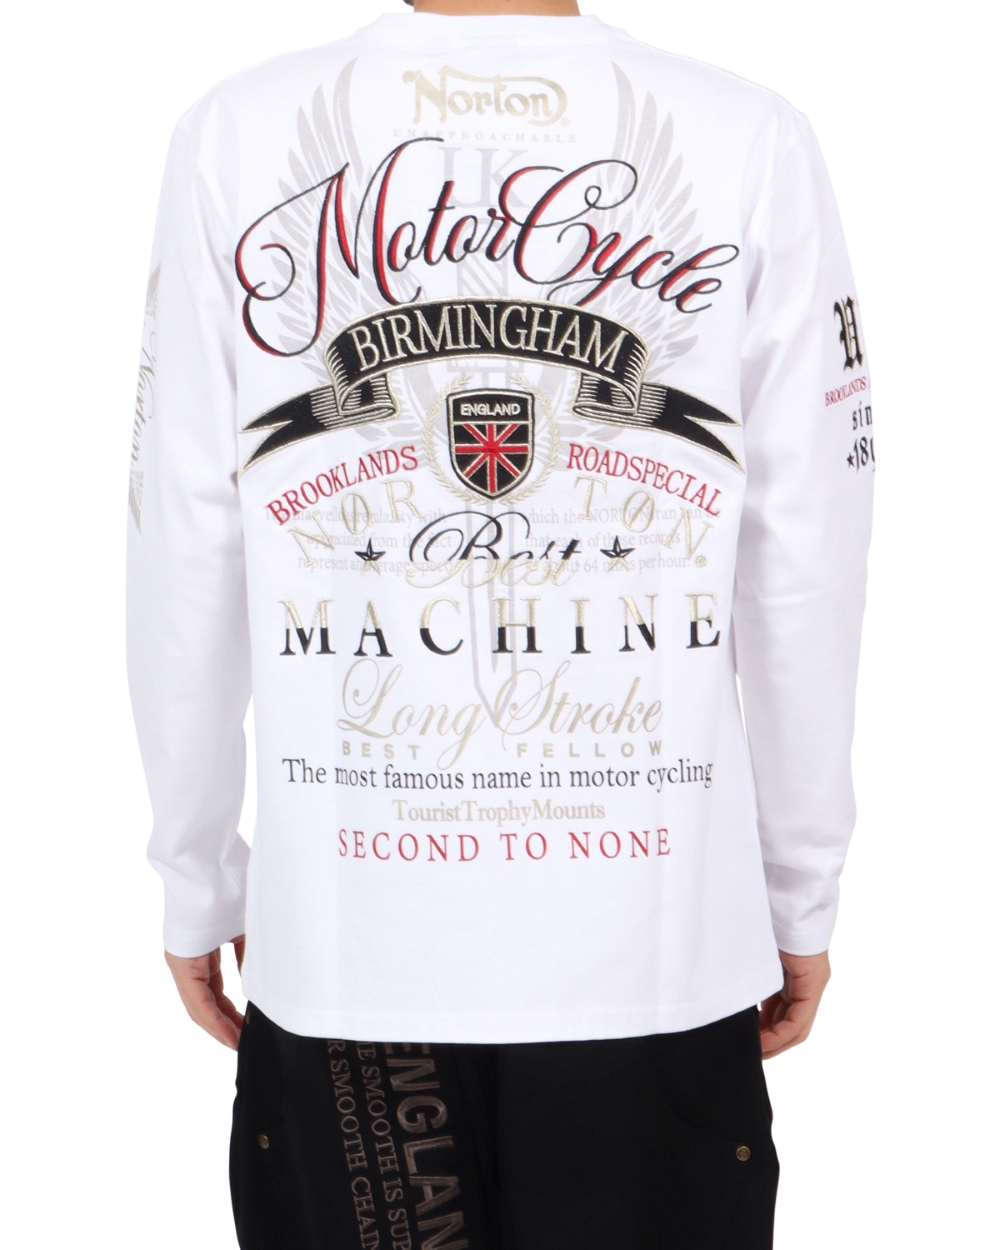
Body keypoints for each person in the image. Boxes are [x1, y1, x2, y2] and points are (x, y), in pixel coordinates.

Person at [127, 0, 874, 1245]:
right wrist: (797, 891)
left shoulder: (233, 133)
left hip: (352, 949)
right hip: (650, 950)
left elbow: (183, 547)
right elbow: (807, 562)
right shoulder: (748, 136)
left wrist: (195, 877)